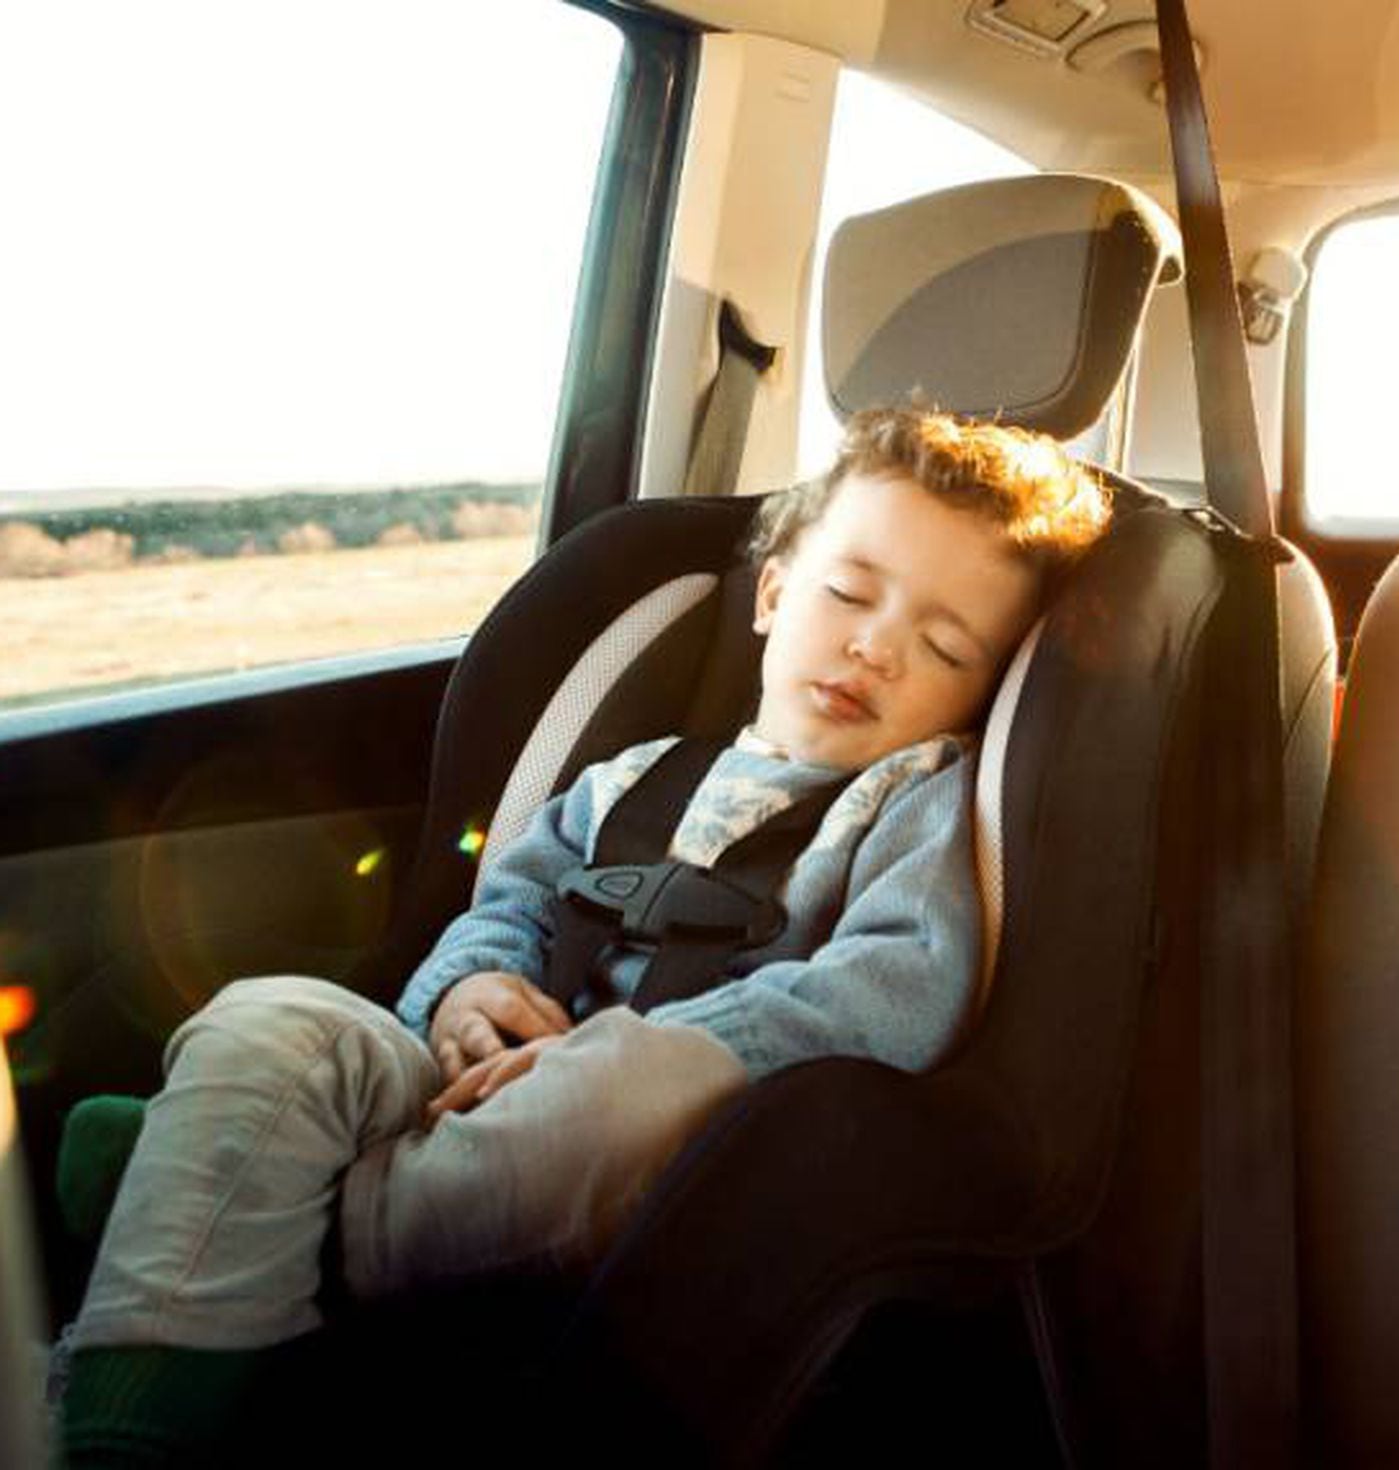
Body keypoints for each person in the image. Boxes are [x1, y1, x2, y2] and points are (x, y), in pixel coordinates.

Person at [55, 406, 1112, 1465]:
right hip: (463, 1087)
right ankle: (128, 1425)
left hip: (650, 1136)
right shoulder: (630, 773)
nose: (875, 646)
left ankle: (230, 1197)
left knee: (621, 1095)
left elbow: (893, 987)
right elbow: (508, 904)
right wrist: (465, 998)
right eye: (847, 592)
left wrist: (632, 1050)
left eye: (942, 645)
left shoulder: (923, 804)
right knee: (275, 1019)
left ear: (986, 694)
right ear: (777, 593)